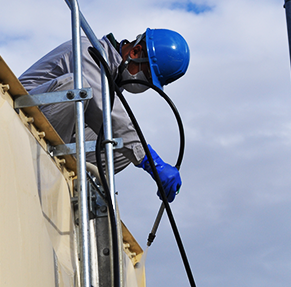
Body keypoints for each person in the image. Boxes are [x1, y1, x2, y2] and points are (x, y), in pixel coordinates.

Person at [19, 28, 190, 202]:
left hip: (55, 136)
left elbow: (116, 124)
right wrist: (153, 162)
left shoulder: (111, 79)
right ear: (135, 51)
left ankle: (72, 190)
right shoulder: (87, 50)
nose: (143, 84)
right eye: (146, 75)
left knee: (121, 147)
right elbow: (105, 110)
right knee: (76, 87)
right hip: (19, 124)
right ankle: (44, 169)